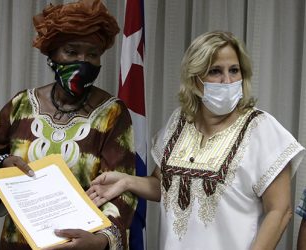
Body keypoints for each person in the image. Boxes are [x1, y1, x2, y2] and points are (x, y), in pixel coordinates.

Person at [87, 31, 306, 250]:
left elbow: (280, 210)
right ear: (195, 78)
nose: (228, 80)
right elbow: (164, 184)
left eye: (234, 70)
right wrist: (126, 181)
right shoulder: (179, 122)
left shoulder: (263, 129)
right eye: (215, 71)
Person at [0, 0, 137, 249]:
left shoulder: (112, 113)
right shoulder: (22, 104)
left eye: (92, 54)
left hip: (82, 242)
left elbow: (122, 188)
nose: (82, 62)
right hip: (19, 241)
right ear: (52, 55)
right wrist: (3, 164)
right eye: (72, 52)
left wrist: (100, 241)